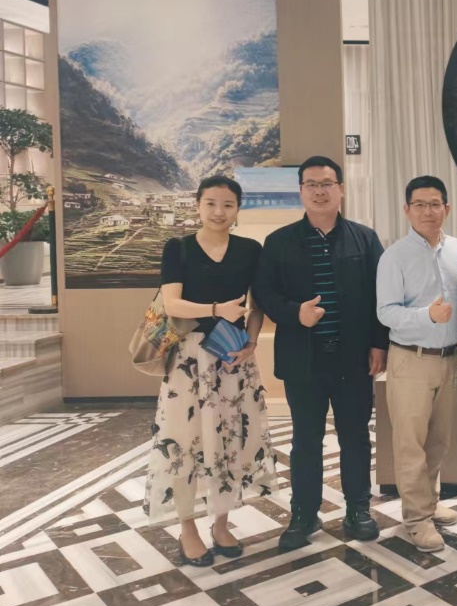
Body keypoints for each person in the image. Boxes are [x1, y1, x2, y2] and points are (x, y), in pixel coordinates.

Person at [253, 156, 388, 552]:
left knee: (355, 437)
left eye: (327, 183)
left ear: (341, 189)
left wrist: (379, 344)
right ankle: (304, 513)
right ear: (300, 191)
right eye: (311, 184)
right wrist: (295, 312)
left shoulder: (365, 239)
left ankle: (358, 510)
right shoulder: (279, 242)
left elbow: (381, 296)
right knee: (306, 439)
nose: (319, 191)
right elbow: (264, 293)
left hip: (354, 359)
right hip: (303, 360)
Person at [144, 175, 277, 566]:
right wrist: (217, 309)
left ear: (238, 210)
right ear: (198, 205)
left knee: (230, 439)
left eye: (228, 205)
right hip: (189, 358)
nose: (219, 212)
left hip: (233, 356)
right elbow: (172, 304)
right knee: (183, 442)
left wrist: (252, 342)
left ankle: (221, 523)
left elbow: (256, 305)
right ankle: (187, 528)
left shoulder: (250, 250)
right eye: (211, 203)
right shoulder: (178, 248)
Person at [376, 176, 457, 553]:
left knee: (439, 440)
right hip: (410, 359)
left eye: (435, 204)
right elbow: (385, 312)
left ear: (447, 208)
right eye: (420, 204)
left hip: (450, 358)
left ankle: (429, 501)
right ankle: (416, 518)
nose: (428, 211)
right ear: (407, 209)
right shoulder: (394, 256)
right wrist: (427, 315)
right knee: (411, 443)